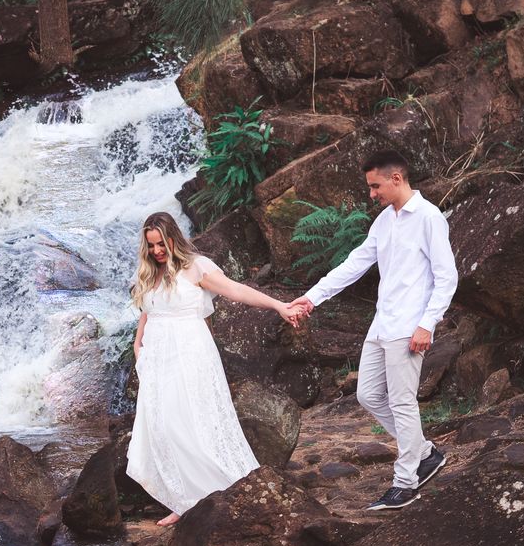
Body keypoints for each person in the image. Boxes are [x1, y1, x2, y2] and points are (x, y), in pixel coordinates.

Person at [286, 147, 458, 511]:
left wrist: (427, 324)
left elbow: (447, 277)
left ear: (396, 179)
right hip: (382, 324)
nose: (372, 194)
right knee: (368, 395)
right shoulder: (384, 221)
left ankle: (406, 481)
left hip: (409, 326)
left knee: (402, 401)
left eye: (375, 185)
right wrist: (312, 298)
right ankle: (425, 453)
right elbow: (354, 264)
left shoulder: (428, 217)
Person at [126, 211, 294, 525]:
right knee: (162, 425)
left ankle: (217, 489)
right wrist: (139, 346)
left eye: (161, 244)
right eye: (151, 246)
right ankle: (183, 499)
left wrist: (278, 305)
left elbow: (237, 290)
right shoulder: (150, 273)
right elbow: (147, 313)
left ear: (173, 238)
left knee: (193, 422)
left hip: (190, 352)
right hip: (156, 356)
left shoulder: (196, 268)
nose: (157, 251)